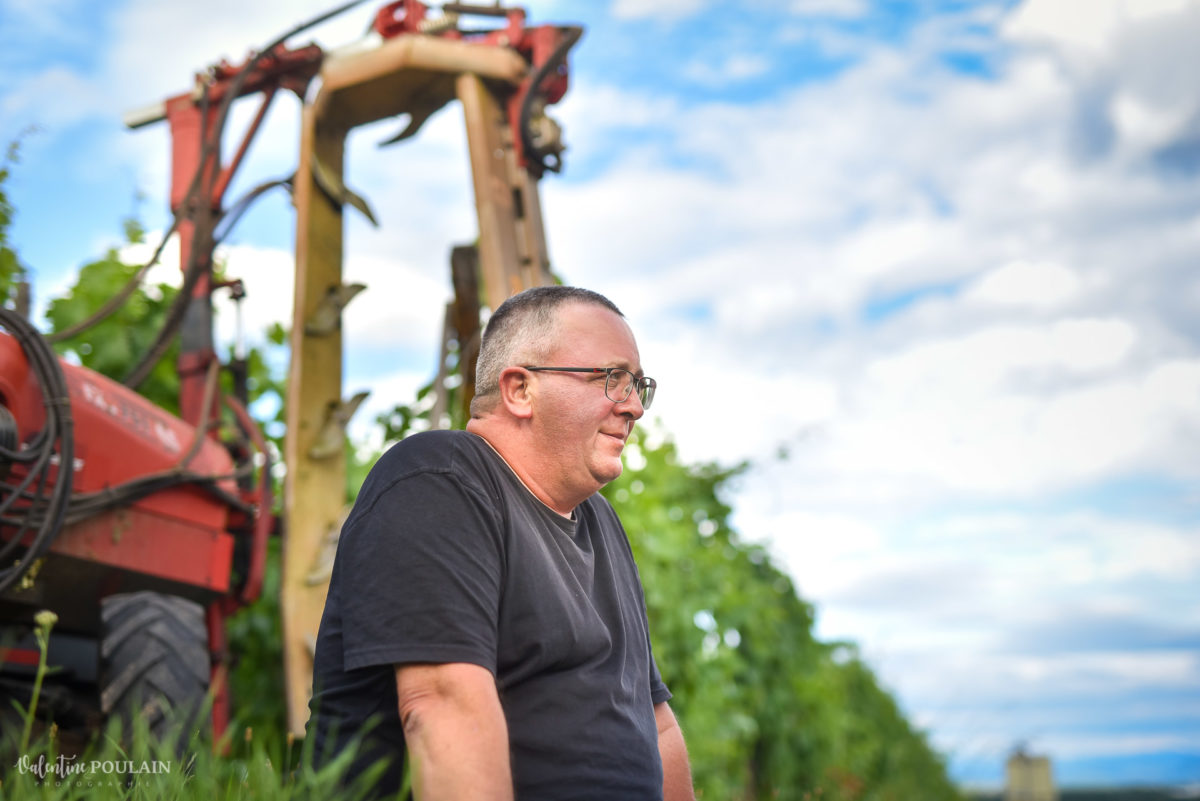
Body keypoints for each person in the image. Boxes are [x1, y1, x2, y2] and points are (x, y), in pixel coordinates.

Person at [306, 286, 694, 800]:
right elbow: (441, 705)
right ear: (519, 390)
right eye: (611, 379)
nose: (634, 408)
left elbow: (656, 723)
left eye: (637, 385)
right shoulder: (441, 479)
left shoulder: (600, 524)